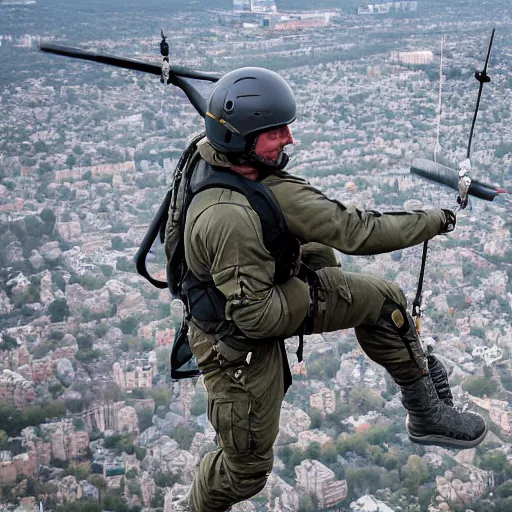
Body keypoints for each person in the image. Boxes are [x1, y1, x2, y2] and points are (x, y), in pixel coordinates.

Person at [167, 67, 487, 512]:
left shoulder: (234, 164)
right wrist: (435, 220)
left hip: (271, 287)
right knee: (245, 473)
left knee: (385, 302)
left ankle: (426, 412)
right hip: (236, 343)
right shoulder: (229, 215)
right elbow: (257, 317)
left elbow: (343, 224)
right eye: (274, 132)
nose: (288, 140)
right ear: (240, 140)